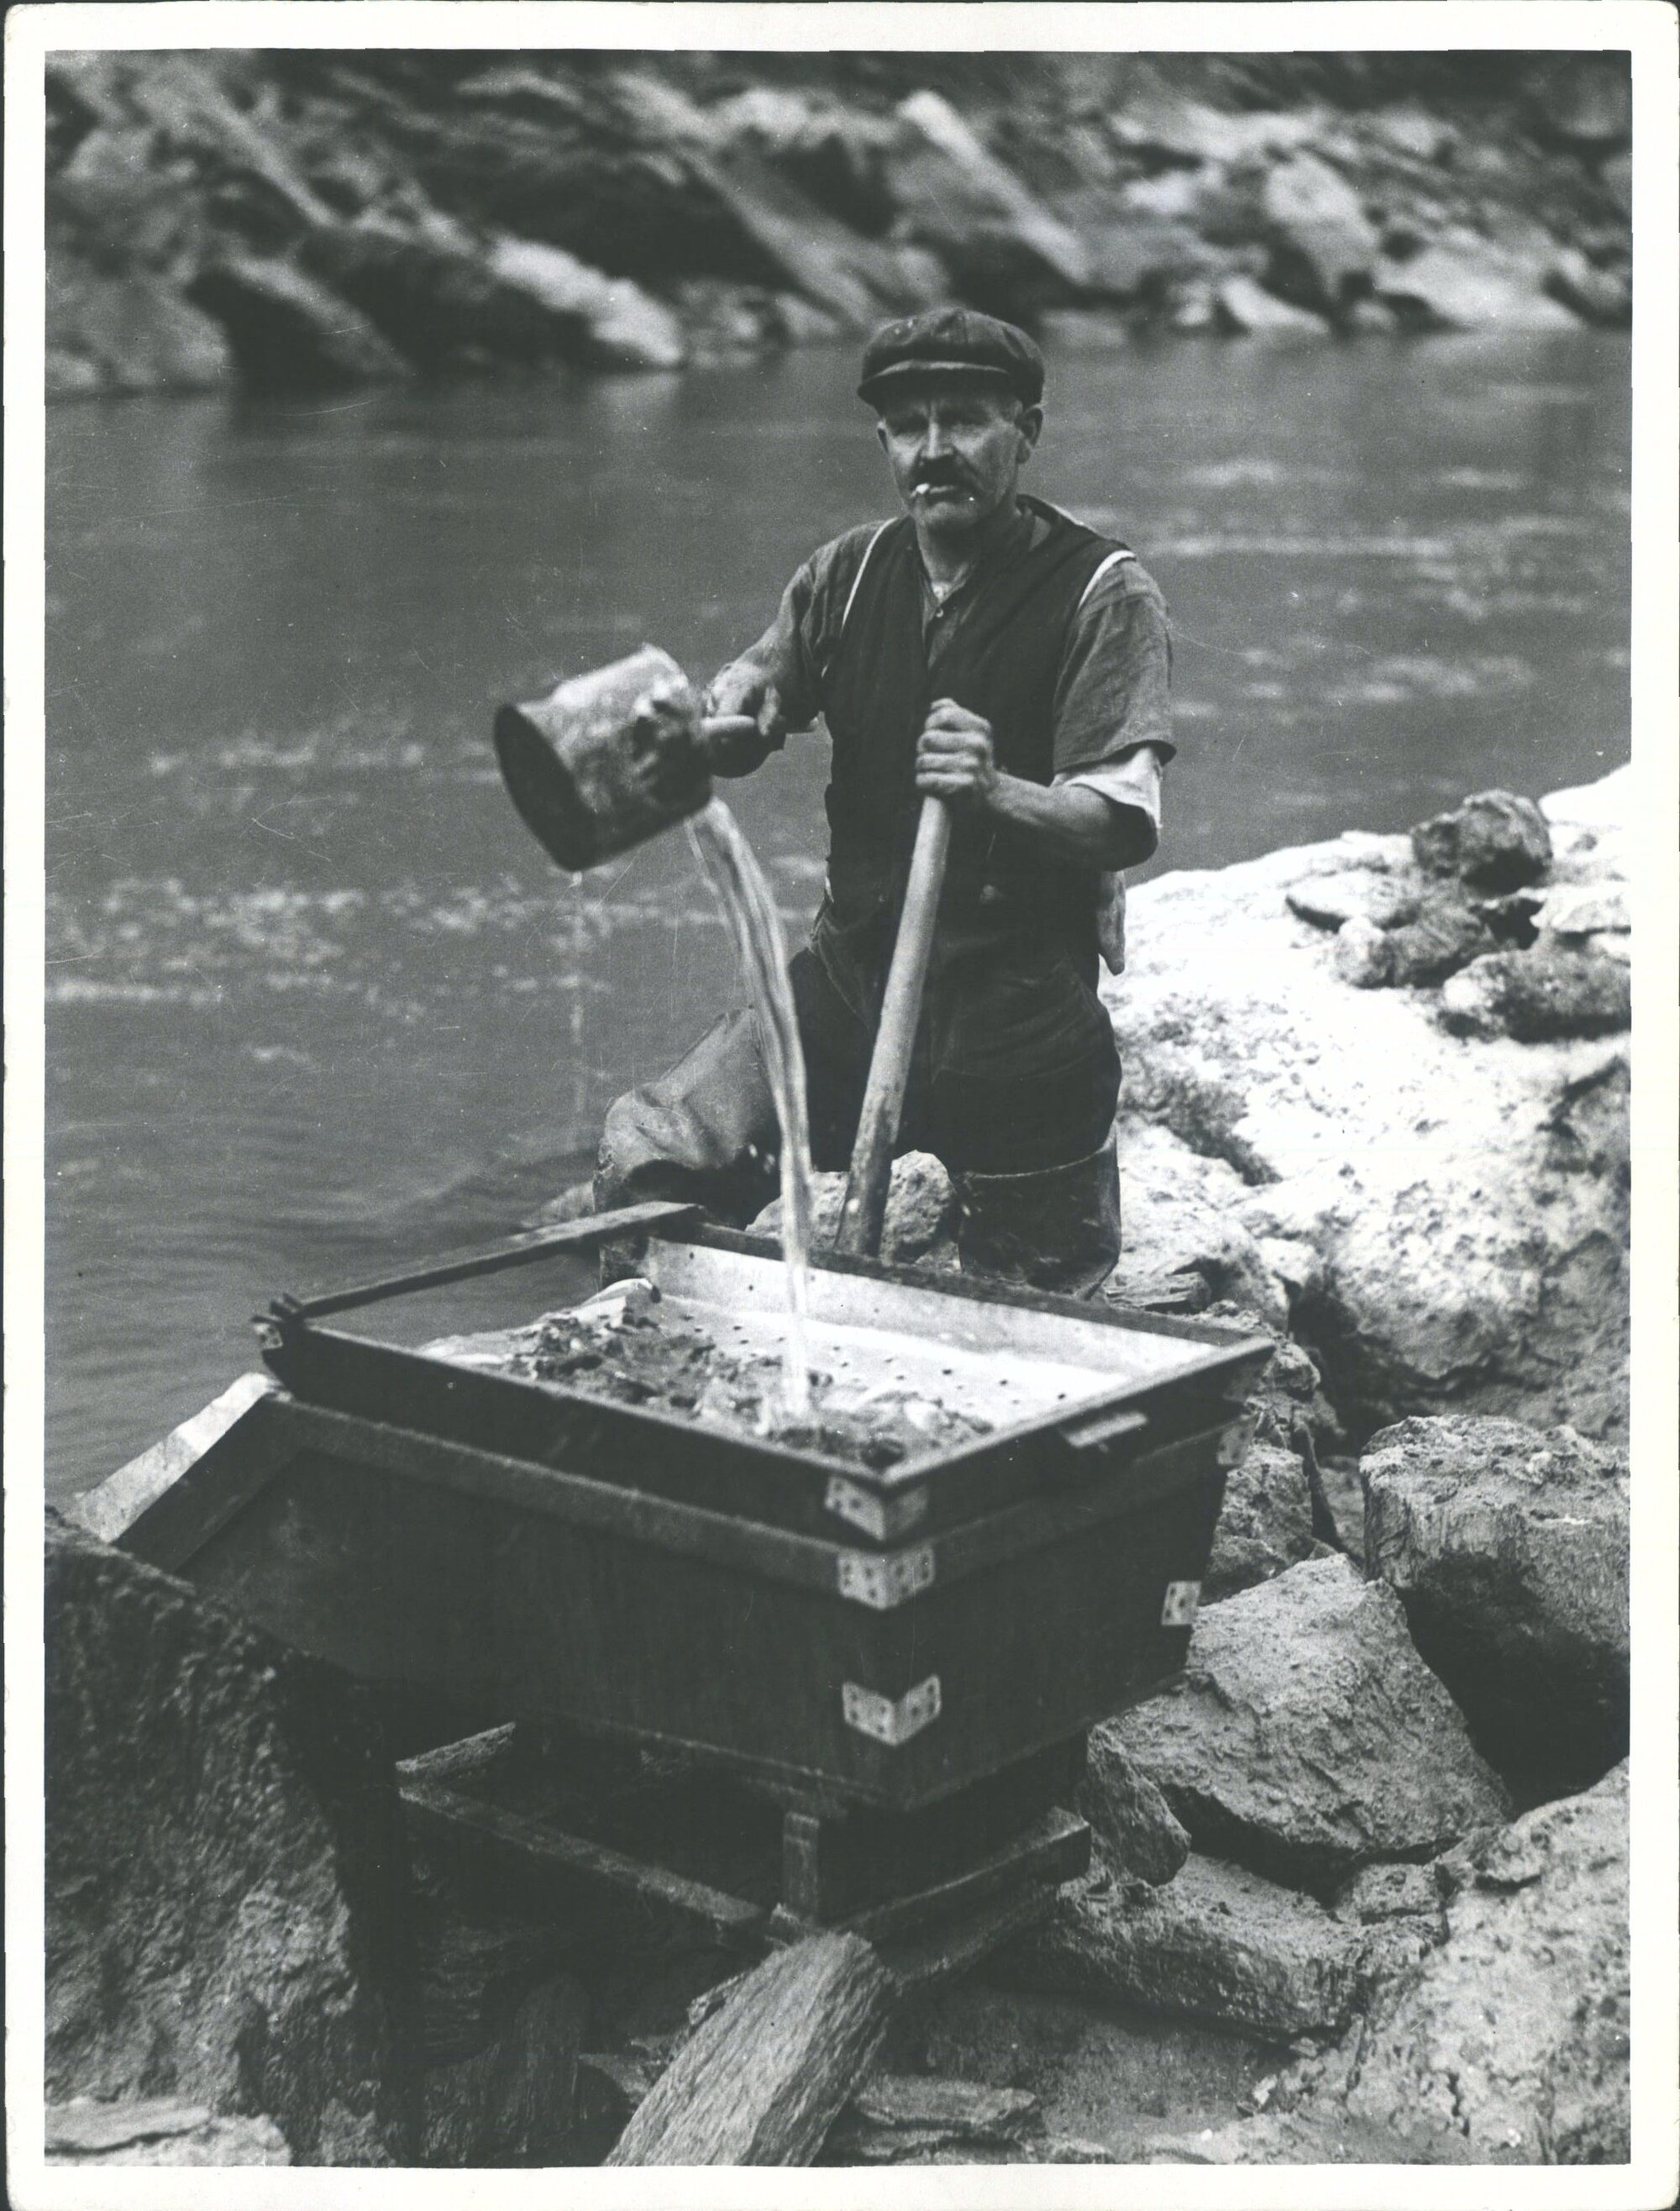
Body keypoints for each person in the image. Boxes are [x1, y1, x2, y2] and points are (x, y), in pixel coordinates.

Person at [596, 307, 1173, 1295]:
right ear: (883, 443)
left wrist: (993, 792)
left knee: (1037, 1295)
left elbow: (1117, 821)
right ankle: (653, 1359)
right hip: (851, 976)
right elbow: (757, 690)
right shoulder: (846, 574)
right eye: (909, 427)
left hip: (1018, 1004)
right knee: (655, 1152)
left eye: (966, 421)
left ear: (1025, 433)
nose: (933, 451)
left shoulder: (1101, 593)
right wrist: (727, 720)